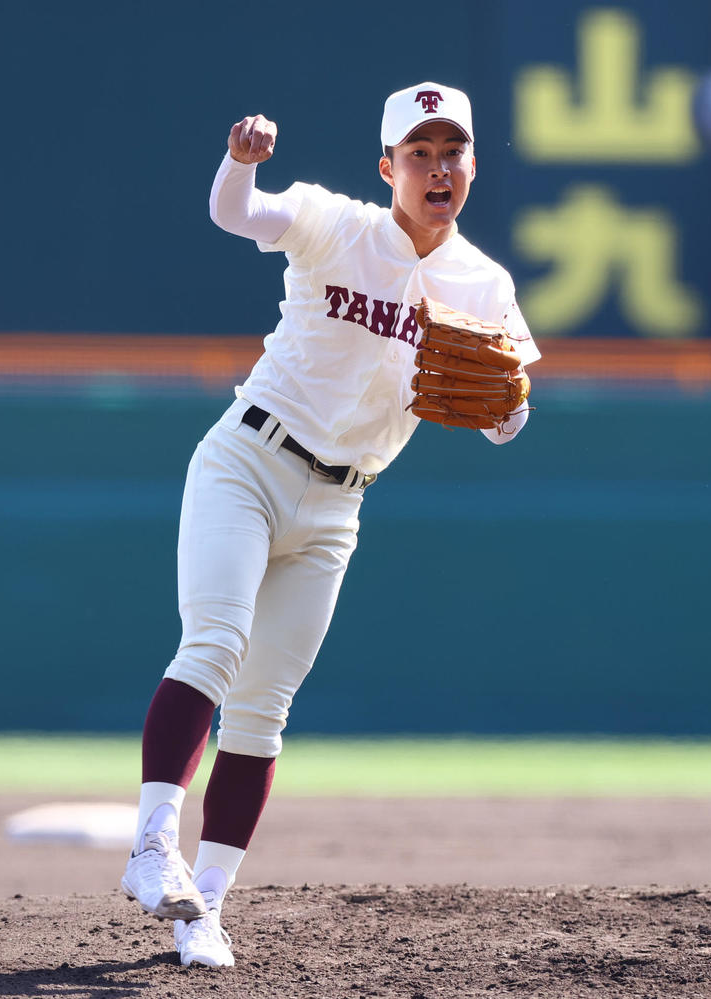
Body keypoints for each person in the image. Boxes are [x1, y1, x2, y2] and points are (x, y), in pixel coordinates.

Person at [119, 81, 539, 969]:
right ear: (387, 167)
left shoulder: (484, 284)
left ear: (471, 166)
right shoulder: (332, 221)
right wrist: (240, 161)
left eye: (451, 152)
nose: (437, 168)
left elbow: (510, 402)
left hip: (339, 503)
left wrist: (507, 413)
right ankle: (153, 843)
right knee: (216, 644)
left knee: (264, 712)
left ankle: (207, 910)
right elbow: (236, 215)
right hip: (248, 460)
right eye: (418, 154)